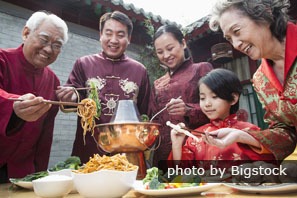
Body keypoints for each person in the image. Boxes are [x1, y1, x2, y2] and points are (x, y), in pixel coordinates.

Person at [56, 11, 151, 164]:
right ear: (100, 35)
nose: (113, 40)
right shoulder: (83, 64)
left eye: (120, 35)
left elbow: (146, 113)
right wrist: (71, 96)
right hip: (89, 148)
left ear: (129, 39)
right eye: (108, 33)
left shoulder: (140, 71)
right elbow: (74, 93)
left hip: (126, 152)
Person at [208, 0, 297, 160]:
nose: (235, 44)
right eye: (229, 38)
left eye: (237, 31)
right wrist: (241, 135)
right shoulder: (260, 80)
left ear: (265, 14)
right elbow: (285, 132)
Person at [0, 11, 68, 183]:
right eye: (44, 40)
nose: (48, 49)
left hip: (24, 172)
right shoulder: (3, 59)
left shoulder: (53, 81)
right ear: (26, 33)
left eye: (56, 45)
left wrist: (40, 175)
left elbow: (45, 136)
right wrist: (12, 106)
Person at [169, 68, 275, 164]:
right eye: (202, 98)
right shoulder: (195, 136)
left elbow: (270, 164)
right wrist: (177, 144)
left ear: (233, 98)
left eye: (214, 97)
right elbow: (182, 176)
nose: (207, 104)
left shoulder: (251, 131)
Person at [149, 24, 213, 167]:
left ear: (183, 43)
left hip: (195, 148)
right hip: (163, 154)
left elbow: (218, 107)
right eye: (160, 52)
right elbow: (154, 118)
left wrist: (188, 109)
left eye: (170, 48)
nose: (166, 55)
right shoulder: (158, 83)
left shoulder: (201, 69)